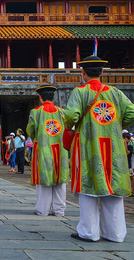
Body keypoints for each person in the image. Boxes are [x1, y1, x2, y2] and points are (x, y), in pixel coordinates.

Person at [64, 55, 134, 243]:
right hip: (114, 147)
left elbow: (71, 115)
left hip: (89, 145)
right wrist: (116, 123)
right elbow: (131, 112)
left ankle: (89, 232)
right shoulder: (116, 93)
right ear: (102, 72)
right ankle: (115, 233)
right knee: (113, 188)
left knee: (87, 187)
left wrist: (74, 124)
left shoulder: (80, 92)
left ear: (83, 72)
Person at [26, 85, 69, 216]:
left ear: (40, 97)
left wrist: (37, 137)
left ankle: (43, 209)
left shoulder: (36, 112)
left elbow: (30, 130)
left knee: (43, 179)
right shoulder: (62, 112)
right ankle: (59, 210)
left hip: (43, 148)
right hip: (60, 149)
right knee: (60, 180)